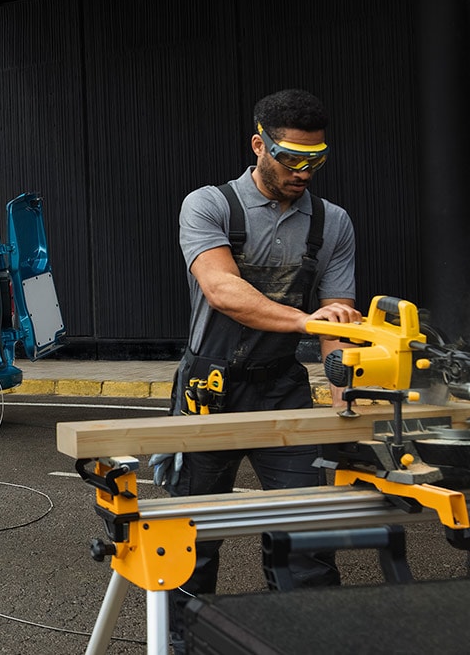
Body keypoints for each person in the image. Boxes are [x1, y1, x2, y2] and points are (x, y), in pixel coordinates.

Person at [151, 88, 363, 653]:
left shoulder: (332, 222)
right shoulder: (209, 205)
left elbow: (337, 322)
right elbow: (223, 291)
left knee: (306, 538)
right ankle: (185, 644)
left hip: (282, 389)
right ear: (258, 144)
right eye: (292, 157)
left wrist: (346, 396)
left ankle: (301, 641)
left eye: (316, 159)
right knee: (192, 540)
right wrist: (304, 321)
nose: (303, 171)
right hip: (209, 389)